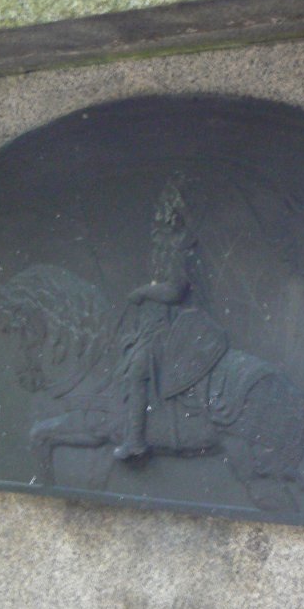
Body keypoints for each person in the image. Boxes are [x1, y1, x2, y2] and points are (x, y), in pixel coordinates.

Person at [113, 175, 198, 460]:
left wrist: (142, 292)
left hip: (171, 329)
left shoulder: (178, 251)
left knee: (138, 371)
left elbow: (175, 290)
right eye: (157, 223)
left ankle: (135, 441)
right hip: (150, 326)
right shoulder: (160, 252)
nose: (158, 228)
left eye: (164, 223)